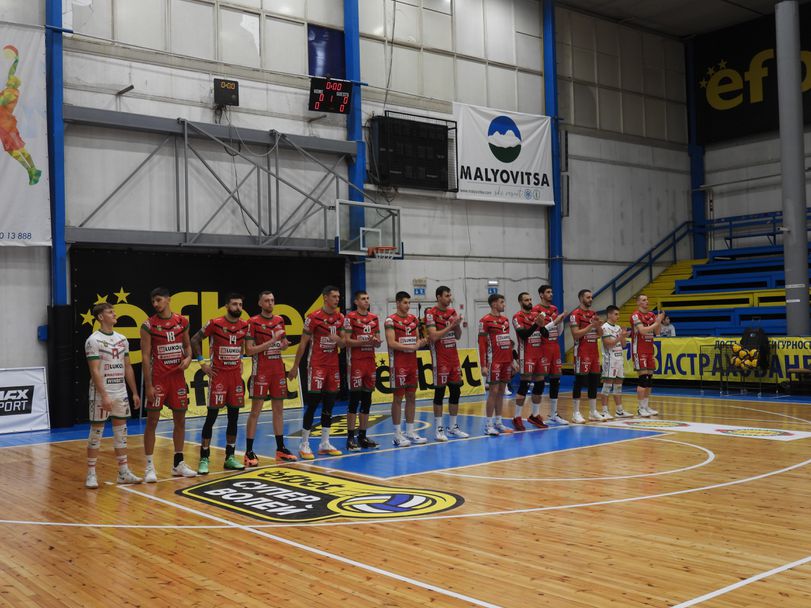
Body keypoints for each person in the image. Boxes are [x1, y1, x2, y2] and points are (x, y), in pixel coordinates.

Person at [140, 287, 197, 483]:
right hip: (158, 379)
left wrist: (188, 359)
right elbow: (145, 357)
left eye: (158, 300)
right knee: (152, 422)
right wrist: (148, 385)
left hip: (177, 379)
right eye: (153, 301)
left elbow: (187, 346)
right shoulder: (148, 325)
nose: (155, 304)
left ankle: (178, 463)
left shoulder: (182, 322)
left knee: (180, 421)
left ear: (168, 299)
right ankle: (149, 466)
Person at [84, 303, 142, 488]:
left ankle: (123, 473)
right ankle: (91, 474)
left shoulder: (122, 339)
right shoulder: (93, 340)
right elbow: (94, 370)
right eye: (110, 312)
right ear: (101, 317)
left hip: (120, 391)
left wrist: (134, 392)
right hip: (102, 392)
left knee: (121, 432)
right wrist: (104, 395)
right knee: (96, 433)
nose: (114, 314)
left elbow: (128, 366)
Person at [191, 293, 249, 474]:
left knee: (234, 418)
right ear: (227, 306)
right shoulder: (215, 323)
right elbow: (194, 339)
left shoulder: (244, 325)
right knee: (211, 418)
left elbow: (242, 345)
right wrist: (202, 363)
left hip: (235, 378)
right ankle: (204, 458)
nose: (238, 307)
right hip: (219, 377)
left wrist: (240, 359)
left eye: (240, 304)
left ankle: (230, 457)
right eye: (234, 304)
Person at [288, 285, 346, 459]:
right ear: (325, 298)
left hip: (333, 366)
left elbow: (343, 344)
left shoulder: (340, 317)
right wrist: (295, 366)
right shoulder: (313, 317)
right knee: (313, 403)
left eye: (338, 297)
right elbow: (303, 344)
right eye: (334, 296)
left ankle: (324, 443)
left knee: (329, 404)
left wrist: (338, 339)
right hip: (317, 365)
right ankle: (304, 444)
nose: (337, 299)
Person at [243, 291, 297, 466]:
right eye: (266, 301)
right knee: (255, 412)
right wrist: (272, 341)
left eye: (272, 300)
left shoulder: (279, 320)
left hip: (277, 370)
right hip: (261, 371)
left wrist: (283, 345)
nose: (270, 303)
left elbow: (282, 345)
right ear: (260, 303)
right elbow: (249, 350)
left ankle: (280, 448)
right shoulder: (252, 322)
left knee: (279, 411)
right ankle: (249, 451)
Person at [425, 286, 469, 441]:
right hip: (440, 359)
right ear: (438, 297)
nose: (449, 298)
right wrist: (450, 325)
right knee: (440, 393)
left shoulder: (452, 312)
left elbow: (458, 336)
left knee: (456, 392)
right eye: (446, 295)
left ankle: (453, 427)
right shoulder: (431, 313)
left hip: (453, 358)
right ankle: (439, 428)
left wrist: (457, 325)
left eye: (450, 295)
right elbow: (433, 336)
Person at [386, 291, 428, 447]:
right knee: (398, 398)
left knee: (412, 397)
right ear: (397, 303)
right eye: (405, 302)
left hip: (412, 364)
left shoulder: (413, 319)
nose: (408, 305)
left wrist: (421, 342)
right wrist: (410, 347)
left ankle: (410, 432)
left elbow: (417, 340)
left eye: (409, 303)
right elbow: (391, 343)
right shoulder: (390, 320)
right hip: (398, 364)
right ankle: (397, 435)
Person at [342, 290, 381, 451]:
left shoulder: (374, 318)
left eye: (367, 298)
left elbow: (378, 342)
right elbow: (346, 341)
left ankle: (363, 436)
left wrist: (376, 342)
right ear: (356, 302)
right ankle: (350, 438)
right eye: (363, 299)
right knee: (354, 401)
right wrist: (364, 341)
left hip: (370, 363)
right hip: (355, 363)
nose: (366, 301)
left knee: (367, 401)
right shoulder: (350, 318)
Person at [0, 45, 41, 185]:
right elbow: (12, 72)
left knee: (16, 149)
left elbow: (1, 102)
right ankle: (32, 169)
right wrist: (16, 60)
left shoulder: (11, 93)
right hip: (5, 124)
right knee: (15, 149)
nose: (9, 79)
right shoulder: (10, 89)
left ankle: (32, 169)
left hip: (5, 125)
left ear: (14, 84)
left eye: (11, 80)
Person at [478, 293, 517, 435]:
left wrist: (512, 361)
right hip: (493, 361)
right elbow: (482, 344)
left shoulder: (505, 320)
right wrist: (483, 365)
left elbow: (507, 342)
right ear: (494, 304)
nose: (504, 304)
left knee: (501, 391)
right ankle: (488, 425)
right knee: (493, 392)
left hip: (506, 361)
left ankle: (499, 422)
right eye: (502, 302)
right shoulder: (485, 321)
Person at [532, 284, 569, 425]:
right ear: (541, 294)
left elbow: (558, 331)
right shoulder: (536, 310)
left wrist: (560, 322)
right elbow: (539, 331)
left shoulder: (554, 309)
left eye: (551, 292)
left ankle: (553, 413)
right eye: (548, 292)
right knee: (540, 381)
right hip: (542, 347)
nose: (551, 294)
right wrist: (555, 321)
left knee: (556, 379)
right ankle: (535, 414)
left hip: (555, 346)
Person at [511, 292, 548, 430]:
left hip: (539, 353)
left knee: (540, 384)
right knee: (524, 385)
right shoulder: (517, 317)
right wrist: (536, 324)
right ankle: (517, 417)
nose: (529, 302)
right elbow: (523, 335)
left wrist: (542, 326)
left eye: (530, 299)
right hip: (526, 354)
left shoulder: (536, 315)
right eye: (526, 300)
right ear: (520, 302)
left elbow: (546, 334)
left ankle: (535, 415)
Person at [569, 289, 604, 423]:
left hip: (594, 352)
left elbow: (600, 334)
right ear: (581, 298)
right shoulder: (575, 314)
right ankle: (575, 413)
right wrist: (591, 325)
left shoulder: (593, 314)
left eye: (591, 297)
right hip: (581, 352)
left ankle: (593, 411)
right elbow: (576, 334)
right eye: (588, 297)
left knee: (594, 381)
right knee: (579, 382)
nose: (591, 299)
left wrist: (598, 326)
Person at [631, 294, 664, 417]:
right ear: (638, 303)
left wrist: (658, 322)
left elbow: (657, 332)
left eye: (647, 299)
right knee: (643, 379)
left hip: (650, 350)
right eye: (644, 300)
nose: (647, 302)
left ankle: (645, 406)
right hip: (639, 350)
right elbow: (642, 331)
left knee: (649, 380)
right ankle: (640, 408)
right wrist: (657, 322)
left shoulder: (651, 315)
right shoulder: (635, 315)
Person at [600, 305, 633, 419]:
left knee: (618, 386)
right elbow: (608, 344)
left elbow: (623, 345)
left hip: (619, 358)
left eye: (618, 314)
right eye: (616, 314)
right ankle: (604, 411)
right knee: (607, 385)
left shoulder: (618, 327)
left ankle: (619, 411)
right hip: (610, 359)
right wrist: (620, 336)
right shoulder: (604, 327)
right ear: (609, 314)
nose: (618, 316)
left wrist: (623, 335)